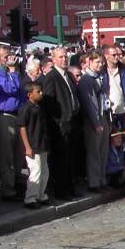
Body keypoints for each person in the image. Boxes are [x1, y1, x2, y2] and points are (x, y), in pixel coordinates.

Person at [42, 47, 81, 200]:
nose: (64, 59)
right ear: (54, 59)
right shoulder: (52, 76)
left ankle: (70, 188)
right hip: (60, 125)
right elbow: (48, 102)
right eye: (60, 57)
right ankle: (61, 190)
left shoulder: (68, 75)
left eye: (65, 57)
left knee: (70, 158)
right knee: (61, 159)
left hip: (72, 122)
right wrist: (58, 121)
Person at [0, 46, 23, 200]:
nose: (10, 58)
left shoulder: (9, 72)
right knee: (7, 156)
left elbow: (20, 91)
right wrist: (13, 71)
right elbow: (10, 89)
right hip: (4, 116)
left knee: (18, 155)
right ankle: (8, 189)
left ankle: (17, 183)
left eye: (10, 55)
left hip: (16, 115)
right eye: (6, 56)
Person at [78, 51, 110, 192]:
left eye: (102, 62)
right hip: (93, 120)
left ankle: (102, 179)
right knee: (94, 152)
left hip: (103, 116)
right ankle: (94, 182)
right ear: (90, 62)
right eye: (97, 62)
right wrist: (96, 123)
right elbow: (89, 103)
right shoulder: (86, 80)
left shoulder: (100, 77)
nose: (100, 65)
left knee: (103, 150)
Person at [17, 82, 50, 209]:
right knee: (35, 171)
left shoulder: (39, 107)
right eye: (38, 92)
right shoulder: (26, 108)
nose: (41, 93)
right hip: (33, 145)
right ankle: (30, 198)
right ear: (30, 95)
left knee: (44, 171)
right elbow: (22, 128)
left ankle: (40, 195)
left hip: (42, 143)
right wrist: (27, 147)